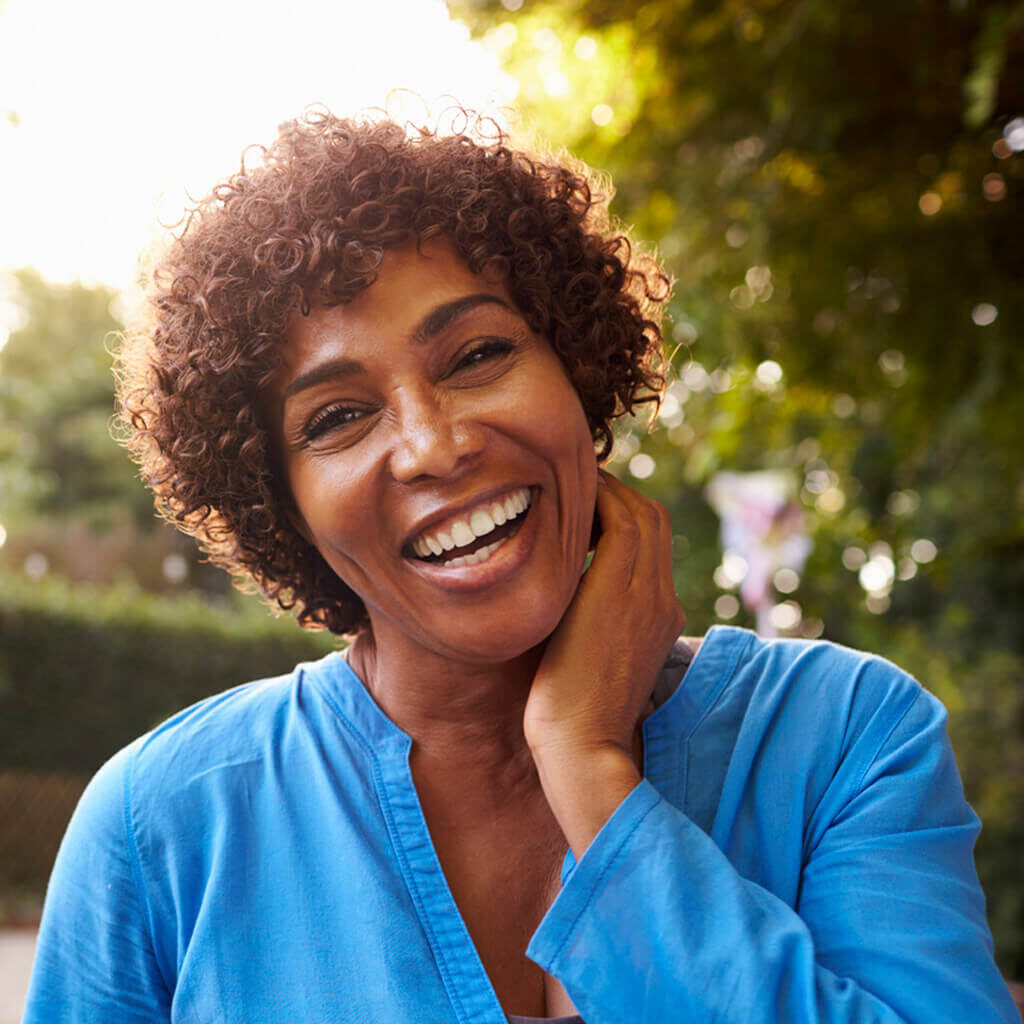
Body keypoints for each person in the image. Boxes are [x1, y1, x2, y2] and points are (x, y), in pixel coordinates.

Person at [23, 108, 1019, 1024]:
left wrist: (590, 773)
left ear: (577, 371)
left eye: (474, 355)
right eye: (337, 417)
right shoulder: (160, 828)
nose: (433, 445)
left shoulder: (844, 737)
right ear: (279, 504)